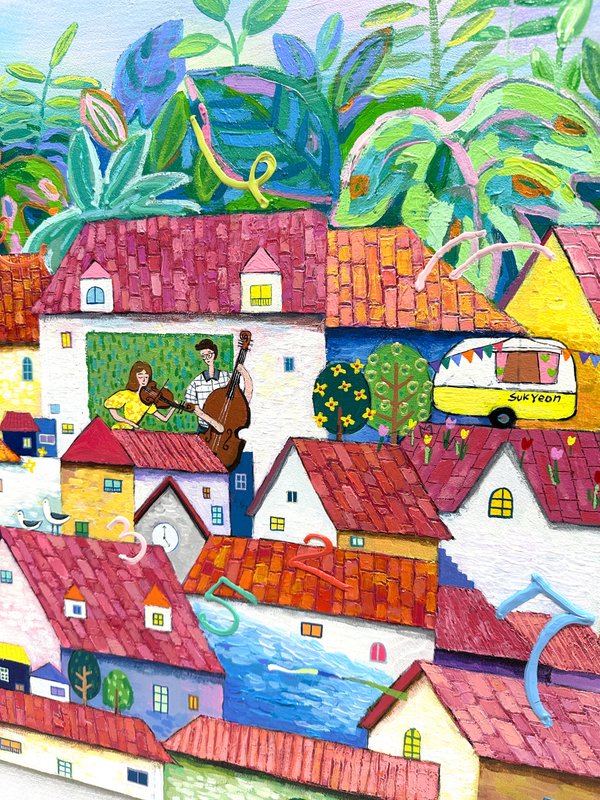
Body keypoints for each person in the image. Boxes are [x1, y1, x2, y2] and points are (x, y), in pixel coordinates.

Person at [185, 338, 253, 433]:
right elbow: (194, 407)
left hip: (228, 429)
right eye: (203, 356)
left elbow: (246, 397)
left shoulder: (227, 377)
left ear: (214, 354)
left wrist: (244, 373)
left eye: (209, 354)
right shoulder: (196, 383)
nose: (207, 358)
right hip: (205, 430)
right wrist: (215, 424)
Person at [104, 361, 175, 430]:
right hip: (122, 428)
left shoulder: (147, 401)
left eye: (146, 377)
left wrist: (174, 407)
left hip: (133, 430)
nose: (143, 380)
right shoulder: (126, 394)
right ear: (135, 377)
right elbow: (115, 415)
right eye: (140, 377)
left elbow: (164, 419)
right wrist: (133, 425)